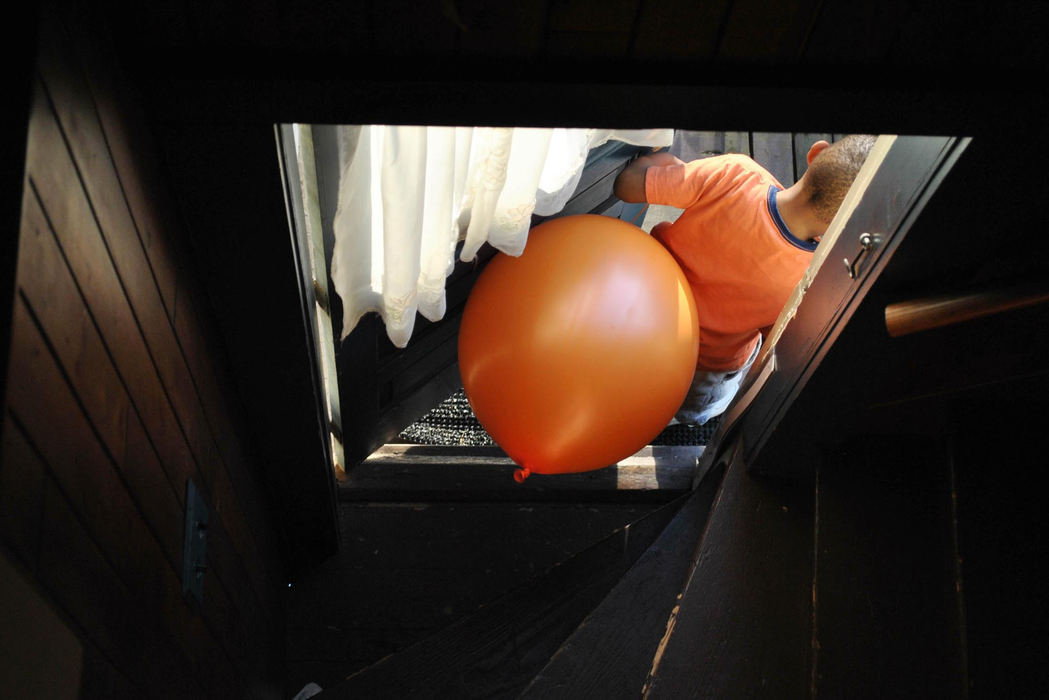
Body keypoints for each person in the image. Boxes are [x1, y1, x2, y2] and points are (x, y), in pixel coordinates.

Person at [613, 135, 877, 426]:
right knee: (702, 397)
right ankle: (684, 419)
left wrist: (666, 164)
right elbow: (773, 344)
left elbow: (626, 185)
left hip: (646, 314)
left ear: (815, 153)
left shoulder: (735, 173)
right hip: (703, 363)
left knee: (633, 368)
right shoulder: (808, 283)